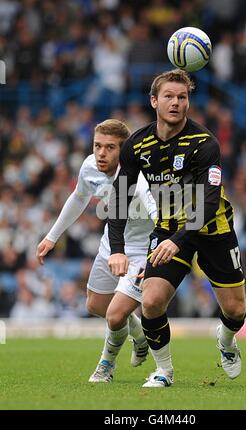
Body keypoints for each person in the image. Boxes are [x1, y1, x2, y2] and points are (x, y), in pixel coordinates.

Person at [108, 69, 246, 387]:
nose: (176, 102)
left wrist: (179, 240)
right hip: (169, 229)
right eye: (168, 96)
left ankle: (225, 342)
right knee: (152, 301)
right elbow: (119, 199)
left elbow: (209, 202)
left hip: (213, 229)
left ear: (188, 102)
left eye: (182, 97)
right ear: (154, 101)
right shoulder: (136, 144)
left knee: (236, 311)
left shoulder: (205, 143)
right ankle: (164, 371)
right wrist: (117, 249)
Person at [36, 119, 157, 382]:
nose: (101, 153)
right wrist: (52, 236)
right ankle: (139, 336)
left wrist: (154, 258)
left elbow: (160, 218)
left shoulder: (140, 176)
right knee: (95, 305)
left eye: (110, 148)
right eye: (97, 146)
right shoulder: (90, 166)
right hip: (110, 246)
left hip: (141, 251)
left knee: (115, 316)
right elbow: (79, 196)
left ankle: (106, 366)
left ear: (124, 151)